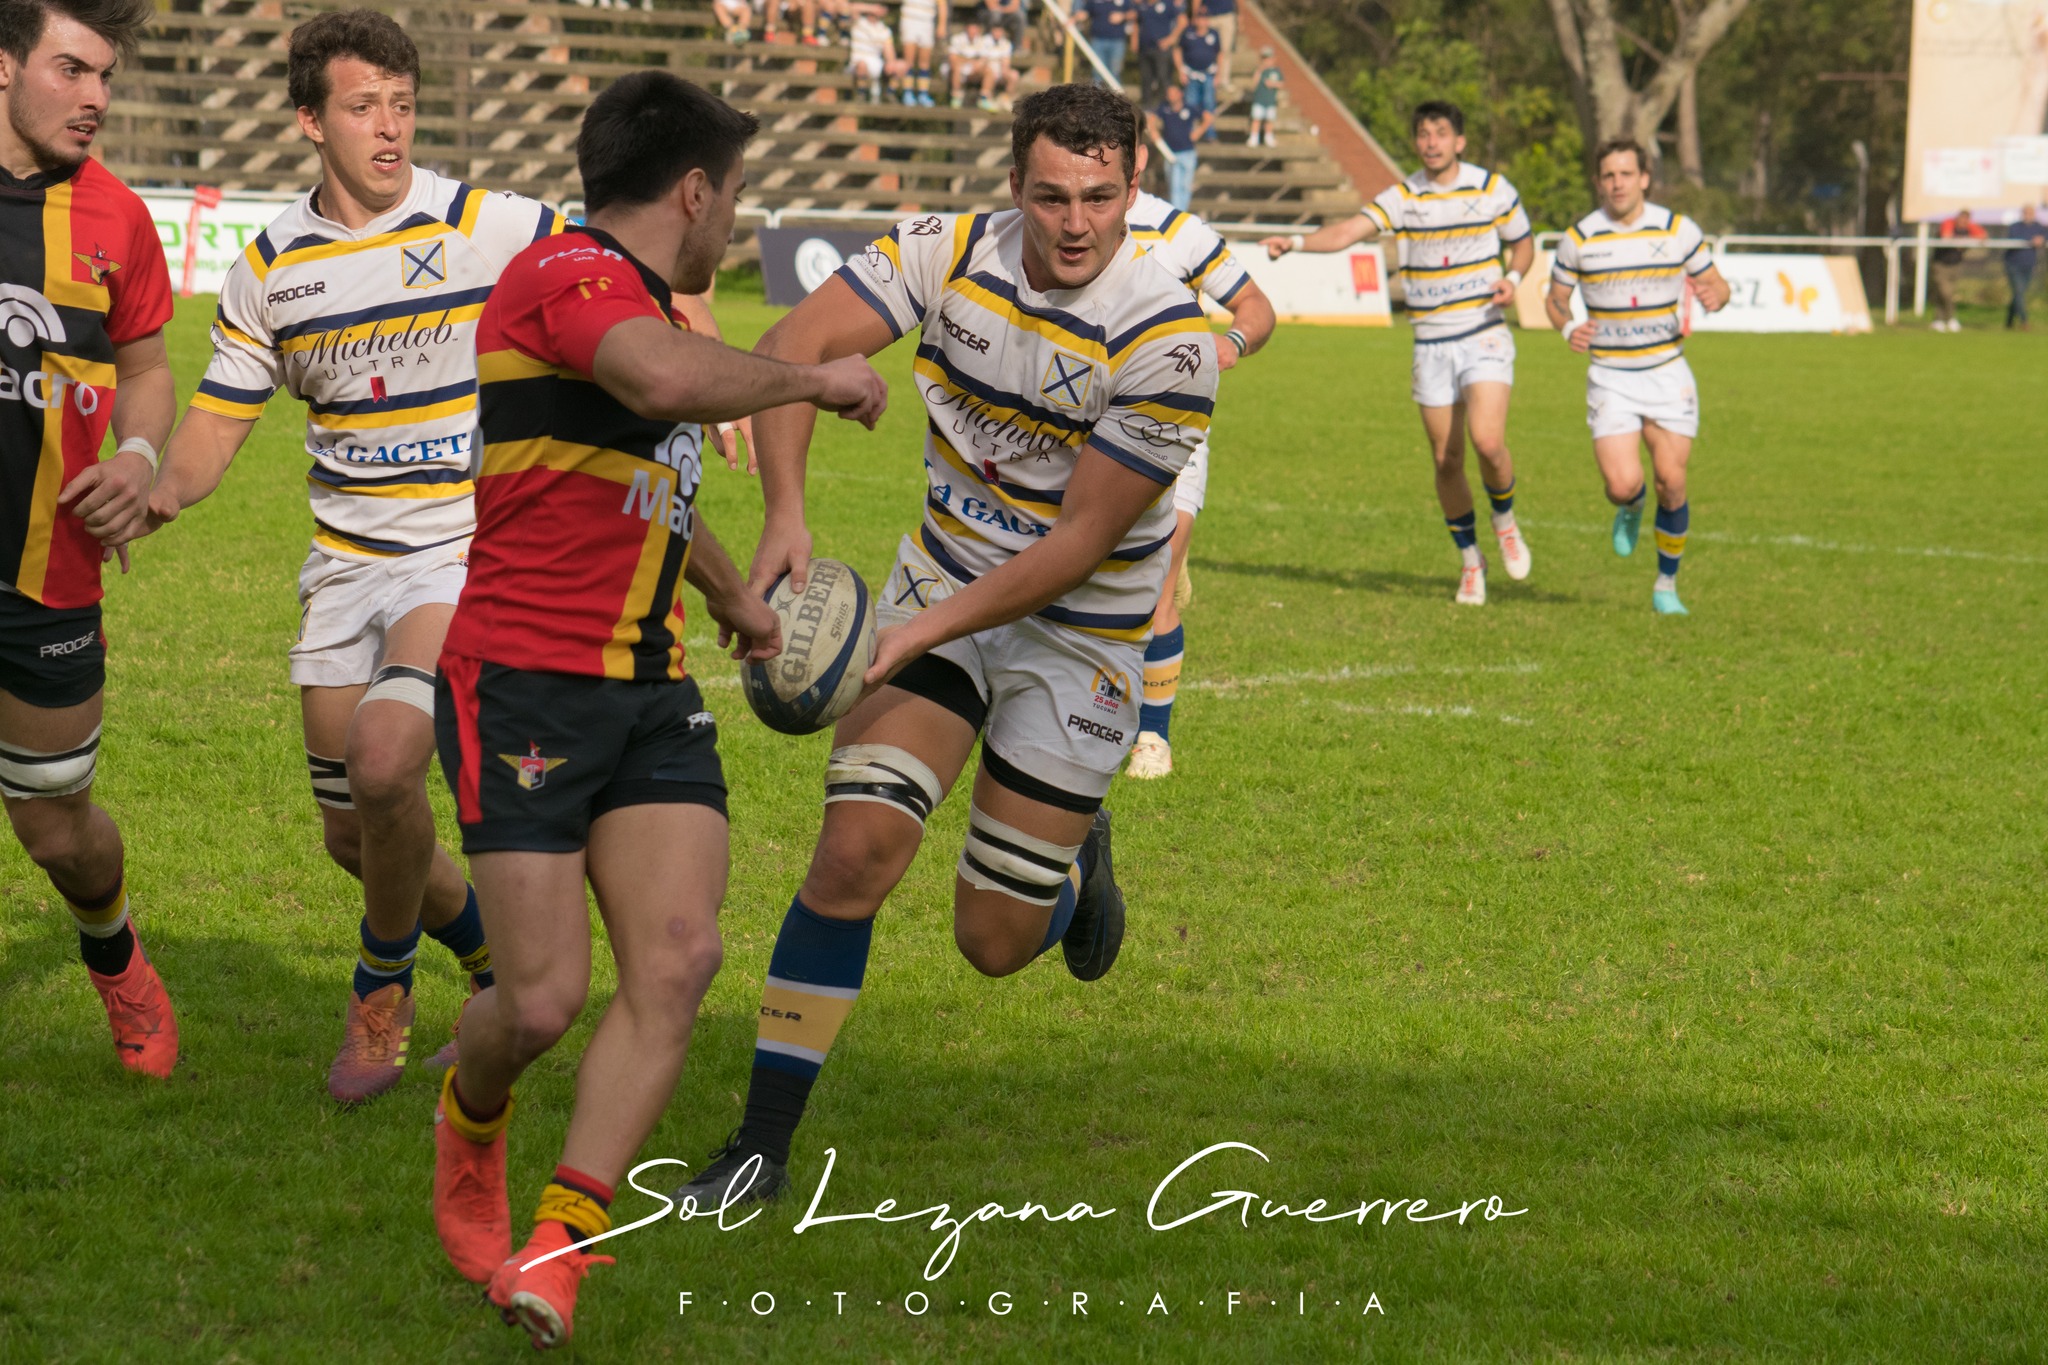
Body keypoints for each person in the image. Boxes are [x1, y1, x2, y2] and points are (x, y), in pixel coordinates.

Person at [669, 82, 1218, 1213]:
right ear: (1013, 184)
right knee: (852, 857)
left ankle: (1069, 865)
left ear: (1133, 189)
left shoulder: (1170, 338)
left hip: (1079, 640)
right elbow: (792, 348)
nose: (1074, 223)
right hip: (944, 581)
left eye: (1101, 198)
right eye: (1050, 196)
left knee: (992, 941)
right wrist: (785, 513)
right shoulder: (947, 249)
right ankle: (761, 1147)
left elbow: (1075, 547)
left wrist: (903, 631)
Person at [425, 71, 887, 1349]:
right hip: (523, 679)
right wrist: (814, 380)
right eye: (730, 199)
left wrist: (738, 601)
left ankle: (560, 1246)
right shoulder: (564, 277)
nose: (730, 224)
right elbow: (656, 384)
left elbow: (650, 487)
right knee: (536, 1004)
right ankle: (469, 1128)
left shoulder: (642, 301)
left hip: (651, 687)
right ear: (692, 189)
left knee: (678, 961)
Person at [133, 10, 562, 1103]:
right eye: (363, 107)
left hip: (458, 553)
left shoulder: (483, 219)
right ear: (309, 121)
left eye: (403, 106)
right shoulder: (272, 266)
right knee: (352, 835)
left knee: (384, 767)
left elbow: (611, 255)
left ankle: (380, 999)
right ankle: (496, 969)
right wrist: (157, 493)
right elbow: (220, 422)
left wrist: (687, 320)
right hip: (343, 566)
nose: (389, 129)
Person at [0, 0, 178, 1079]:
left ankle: (118, 963)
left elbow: (150, 370)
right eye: (71, 69)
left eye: (104, 75)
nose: (96, 97)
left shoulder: (116, 216)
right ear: (5, 65)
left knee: (59, 827)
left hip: (43, 579)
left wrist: (141, 459)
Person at [1263, 100, 1534, 605]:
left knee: (1488, 441)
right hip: (1431, 341)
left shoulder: (1493, 189)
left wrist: (1513, 278)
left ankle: (1505, 519)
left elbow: (1523, 243)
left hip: (1483, 332)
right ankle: (1471, 562)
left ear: (1460, 141)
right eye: (1423, 134)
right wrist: (1296, 241)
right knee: (1446, 460)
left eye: (1440, 133)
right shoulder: (1404, 196)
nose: (1431, 142)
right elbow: (1347, 232)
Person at [1121, 179, 1276, 779]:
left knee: (1157, 583)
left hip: (1173, 425)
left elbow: (1255, 305)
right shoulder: (1065, 222)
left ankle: (1152, 740)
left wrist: (1234, 341)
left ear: (1139, 159)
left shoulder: (1179, 231)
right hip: (1082, 422)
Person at [1544, 137, 1730, 617]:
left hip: (1667, 372)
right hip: (1611, 376)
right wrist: (1567, 325)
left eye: (1626, 174)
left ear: (1644, 178)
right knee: (1622, 484)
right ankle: (1630, 506)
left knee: (1673, 480)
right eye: (1608, 175)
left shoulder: (1677, 230)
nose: (1617, 183)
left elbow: (1716, 283)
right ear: (1598, 182)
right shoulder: (1580, 238)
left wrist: (1718, 296)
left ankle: (1666, 584)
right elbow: (1555, 298)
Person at [1148, 81, 1207, 210]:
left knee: (1185, 186)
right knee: (1174, 186)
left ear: (1180, 94)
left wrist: (1198, 131)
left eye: (1173, 93)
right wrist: (1154, 133)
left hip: (1188, 153)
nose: (1170, 96)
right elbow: (1150, 119)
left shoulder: (1189, 108)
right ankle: (1177, 215)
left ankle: (1183, 214)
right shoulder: (1164, 108)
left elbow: (1208, 117)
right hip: (1171, 154)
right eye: (1168, 94)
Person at [1930, 208, 1985, 332]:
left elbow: (1983, 236)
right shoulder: (1948, 223)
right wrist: (1960, 241)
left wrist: (1966, 241)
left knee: (1946, 294)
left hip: (1955, 265)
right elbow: (1946, 237)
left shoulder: (1969, 226)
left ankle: (1938, 320)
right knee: (1945, 292)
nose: (1963, 222)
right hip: (1941, 264)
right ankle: (1951, 318)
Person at [1175, 10, 1220, 139]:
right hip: (1191, 75)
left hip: (1208, 74)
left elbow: (1220, 54)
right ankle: (1189, 133)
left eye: (1205, 19)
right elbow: (1177, 50)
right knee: (1190, 104)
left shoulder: (1214, 34)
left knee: (1209, 104)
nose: (1202, 21)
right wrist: (1180, 71)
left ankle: (1210, 134)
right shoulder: (1188, 33)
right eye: (1200, 18)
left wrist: (1219, 74)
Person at [847, 4, 905, 103]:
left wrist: (891, 63)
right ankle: (861, 95)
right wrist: (871, 8)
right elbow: (849, 8)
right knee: (862, 64)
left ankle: (889, 93)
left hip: (876, 63)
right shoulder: (859, 22)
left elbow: (889, 51)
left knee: (901, 65)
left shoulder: (884, 30)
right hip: (857, 62)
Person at [1134, 0, 1183, 109]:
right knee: (1146, 79)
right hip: (1145, 48)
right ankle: (1146, 108)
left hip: (1161, 50)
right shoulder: (1142, 5)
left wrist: (1170, 39)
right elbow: (1137, 23)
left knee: (1163, 79)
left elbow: (1182, 21)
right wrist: (1135, 39)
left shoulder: (1167, 4)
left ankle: (1163, 109)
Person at [897, 0, 943, 106]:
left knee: (924, 61)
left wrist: (941, 24)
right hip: (909, 18)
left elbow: (942, 4)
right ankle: (907, 92)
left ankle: (923, 93)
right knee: (909, 60)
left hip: (926, 20)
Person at [2007, 204, 2044, 330]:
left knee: (2019, 294)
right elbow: (2013, 238)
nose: (2028, 215)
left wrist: (2042, 239)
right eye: (2026, 212)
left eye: (2031, 213)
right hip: (2013, 264)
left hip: (2028, 265)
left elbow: (2044, 236)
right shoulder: (2015, 226)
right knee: (2019, 292)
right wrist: (2031, 240)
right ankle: (2024, 321)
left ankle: (2009, 322)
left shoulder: (2038, 227)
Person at [1086, 0, 1131, 88]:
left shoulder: (1124, 1)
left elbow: (1134, 12)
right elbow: (1085, 12)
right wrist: (1072, 19)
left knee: (1115, 72)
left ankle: (1115, 98)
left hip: (1117, 42)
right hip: (1097, 41)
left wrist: (1123, 16)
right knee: (1097, 72)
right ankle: (1097, 99)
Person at [1244, 45, 1280, 147]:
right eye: (1264, 58)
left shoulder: (1276, 71)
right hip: (1259, 100)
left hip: (1270, 101)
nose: (1266, 61)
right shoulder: (1259, 71)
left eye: (1268, 58)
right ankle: (1254, 137)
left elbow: (1281, 83)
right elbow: (1253, 84)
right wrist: (1259, 71)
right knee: (1256, 119)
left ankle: (1268, 137)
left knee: (1269, 120)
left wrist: (1272, 84)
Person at [1196, 0, 1235, 90]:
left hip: (1227, 15)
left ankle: (1224, 80)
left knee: (1226, 50)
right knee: (1206, 49)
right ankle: (1204, 78)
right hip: (1209, 16)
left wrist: (1240, 15)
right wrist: (1196, 14)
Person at [945, 18, 983, 107]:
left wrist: (968, 61)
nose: (973, 32)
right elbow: (953, 58)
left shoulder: (982, 40)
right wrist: (970, 60)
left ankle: (984, 98)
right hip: (957, 69)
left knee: (989, 70)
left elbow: (983, 59)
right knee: (957, 67)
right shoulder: (957, 39)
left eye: (975, 29)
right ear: (966, 28)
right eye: (971, 29)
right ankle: (956, 96)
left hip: (973, 71)